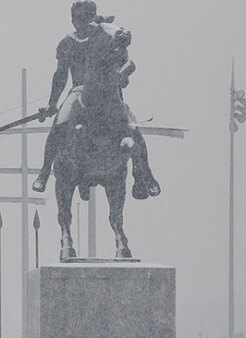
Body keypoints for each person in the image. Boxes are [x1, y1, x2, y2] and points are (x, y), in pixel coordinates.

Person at [32, 1, 159, 200]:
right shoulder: (68, 42)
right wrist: (52, 102)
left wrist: (121, 74)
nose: (80, 23)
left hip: (108, 91)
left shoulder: (104, 34)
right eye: (77, 18)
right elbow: (60, 75)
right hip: (79, 90)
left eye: (84, 18)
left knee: (133, 128)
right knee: (58, 125)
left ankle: (145, 173)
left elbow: (124, 44)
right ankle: (45, 171)